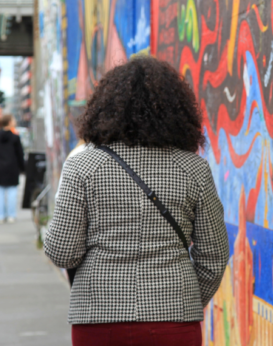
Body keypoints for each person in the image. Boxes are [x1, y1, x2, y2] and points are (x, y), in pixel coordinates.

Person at [44, 56, 230, 346]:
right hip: (175, 319)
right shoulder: (193, 168)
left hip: (98, 317)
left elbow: (62, 253)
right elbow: (214, 257)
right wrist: (182, 300)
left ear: (103, 108)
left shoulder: (82, 167)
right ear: (178, 111)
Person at [0, 114, 25, 223]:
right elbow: (20, 154)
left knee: (0, 192)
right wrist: (23, 168)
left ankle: (0, 216)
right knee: (12, 191)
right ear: (9, 122)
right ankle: (11, 215)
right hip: (12, 166)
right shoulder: (15, 137)